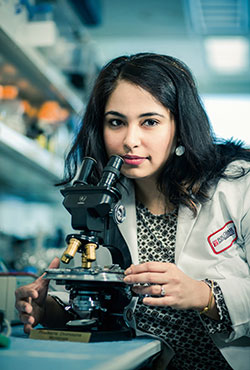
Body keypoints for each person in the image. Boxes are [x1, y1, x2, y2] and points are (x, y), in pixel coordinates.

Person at [15, 53, 250, 370]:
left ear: (180, 127)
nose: (130, 140)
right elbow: (92, 308)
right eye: (116, 122)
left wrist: (204, 295)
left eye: (150, 122)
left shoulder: (236, 185)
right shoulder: (104, 200)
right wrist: (48, 311)